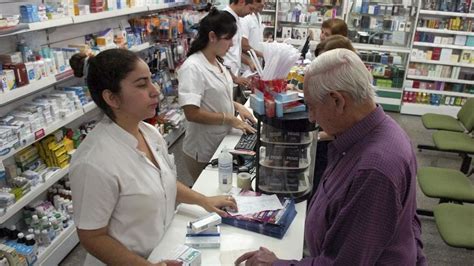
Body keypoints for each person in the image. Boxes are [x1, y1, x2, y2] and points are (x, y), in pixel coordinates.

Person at [235, 49, 427, 265]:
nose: (311, 117)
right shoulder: (377, 133)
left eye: (312, 107)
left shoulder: (374, 169)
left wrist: (276, 264)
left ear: (337, 101)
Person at [68, 48, 238, 265]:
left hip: (162, 251)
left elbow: (163, 180)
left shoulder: (149, 133)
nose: (155, 90)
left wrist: (203, 200)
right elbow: (92, 237)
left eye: (151, 80)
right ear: (112, 98)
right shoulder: (93, 162)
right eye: (141, 84)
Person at [178, 9, 257, 181]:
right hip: (203, 148)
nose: (230, 45)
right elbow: (191, 113)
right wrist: (230, 119)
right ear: (212, 37)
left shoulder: (217, 61)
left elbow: (217, 95)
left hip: (221, 141)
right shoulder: (193, 67)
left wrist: (237, 106)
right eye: (228, 39)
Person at [223, 0, 255, 87]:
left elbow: (234, 51)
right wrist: (234, 78)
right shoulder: (224, 19)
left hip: (232, 78)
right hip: (224, 78)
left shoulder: (237, 19)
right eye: (250, 8)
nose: (251, 13)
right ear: (241, 2)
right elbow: (217, 55)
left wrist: (248, 61)